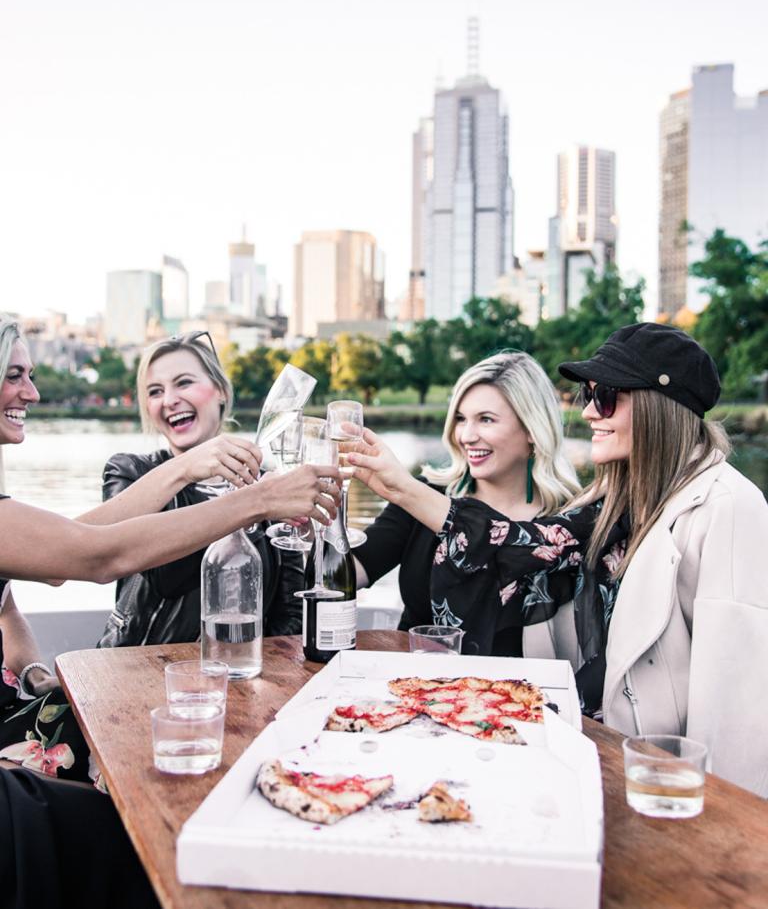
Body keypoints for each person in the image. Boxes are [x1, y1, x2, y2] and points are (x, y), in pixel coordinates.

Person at [0, 315, 339, 907]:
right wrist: (245, 497)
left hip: (64, 706)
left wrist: (31, 671)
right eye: (14, 376)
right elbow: (101, 555)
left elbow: (30, 583)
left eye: (28, 375)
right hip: (55, 733)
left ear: (221, 395)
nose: (32, 391)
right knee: (143, 838)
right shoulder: (135, 469)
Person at [354, 324, 768, 795]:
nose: (589, 411)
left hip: (667, 782)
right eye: (589, 394)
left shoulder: (730, 506)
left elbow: (737, 703)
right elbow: (521, 546)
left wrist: (722, 821)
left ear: (658, 406)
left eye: (606, 396)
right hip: (605, 753)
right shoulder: (616, 498)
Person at [352, 351, 582, 656]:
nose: (466, 436)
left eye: (486, 419)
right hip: (411, 689)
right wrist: (311, 520)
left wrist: (402, 486)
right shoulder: (427, 493)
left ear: (531, 429)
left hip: (515, 697)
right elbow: (349, 572)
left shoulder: (567, 520)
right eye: (461, 419)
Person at [98, 332, 302, 647]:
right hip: (140, 669)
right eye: (155, 391)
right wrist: (249, 506)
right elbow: (168, 577)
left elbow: (289, 613)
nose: (169, 400)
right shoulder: (130, 473)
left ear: (220, 390)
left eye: (183, 383)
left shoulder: (269, 487)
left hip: (240, 673)